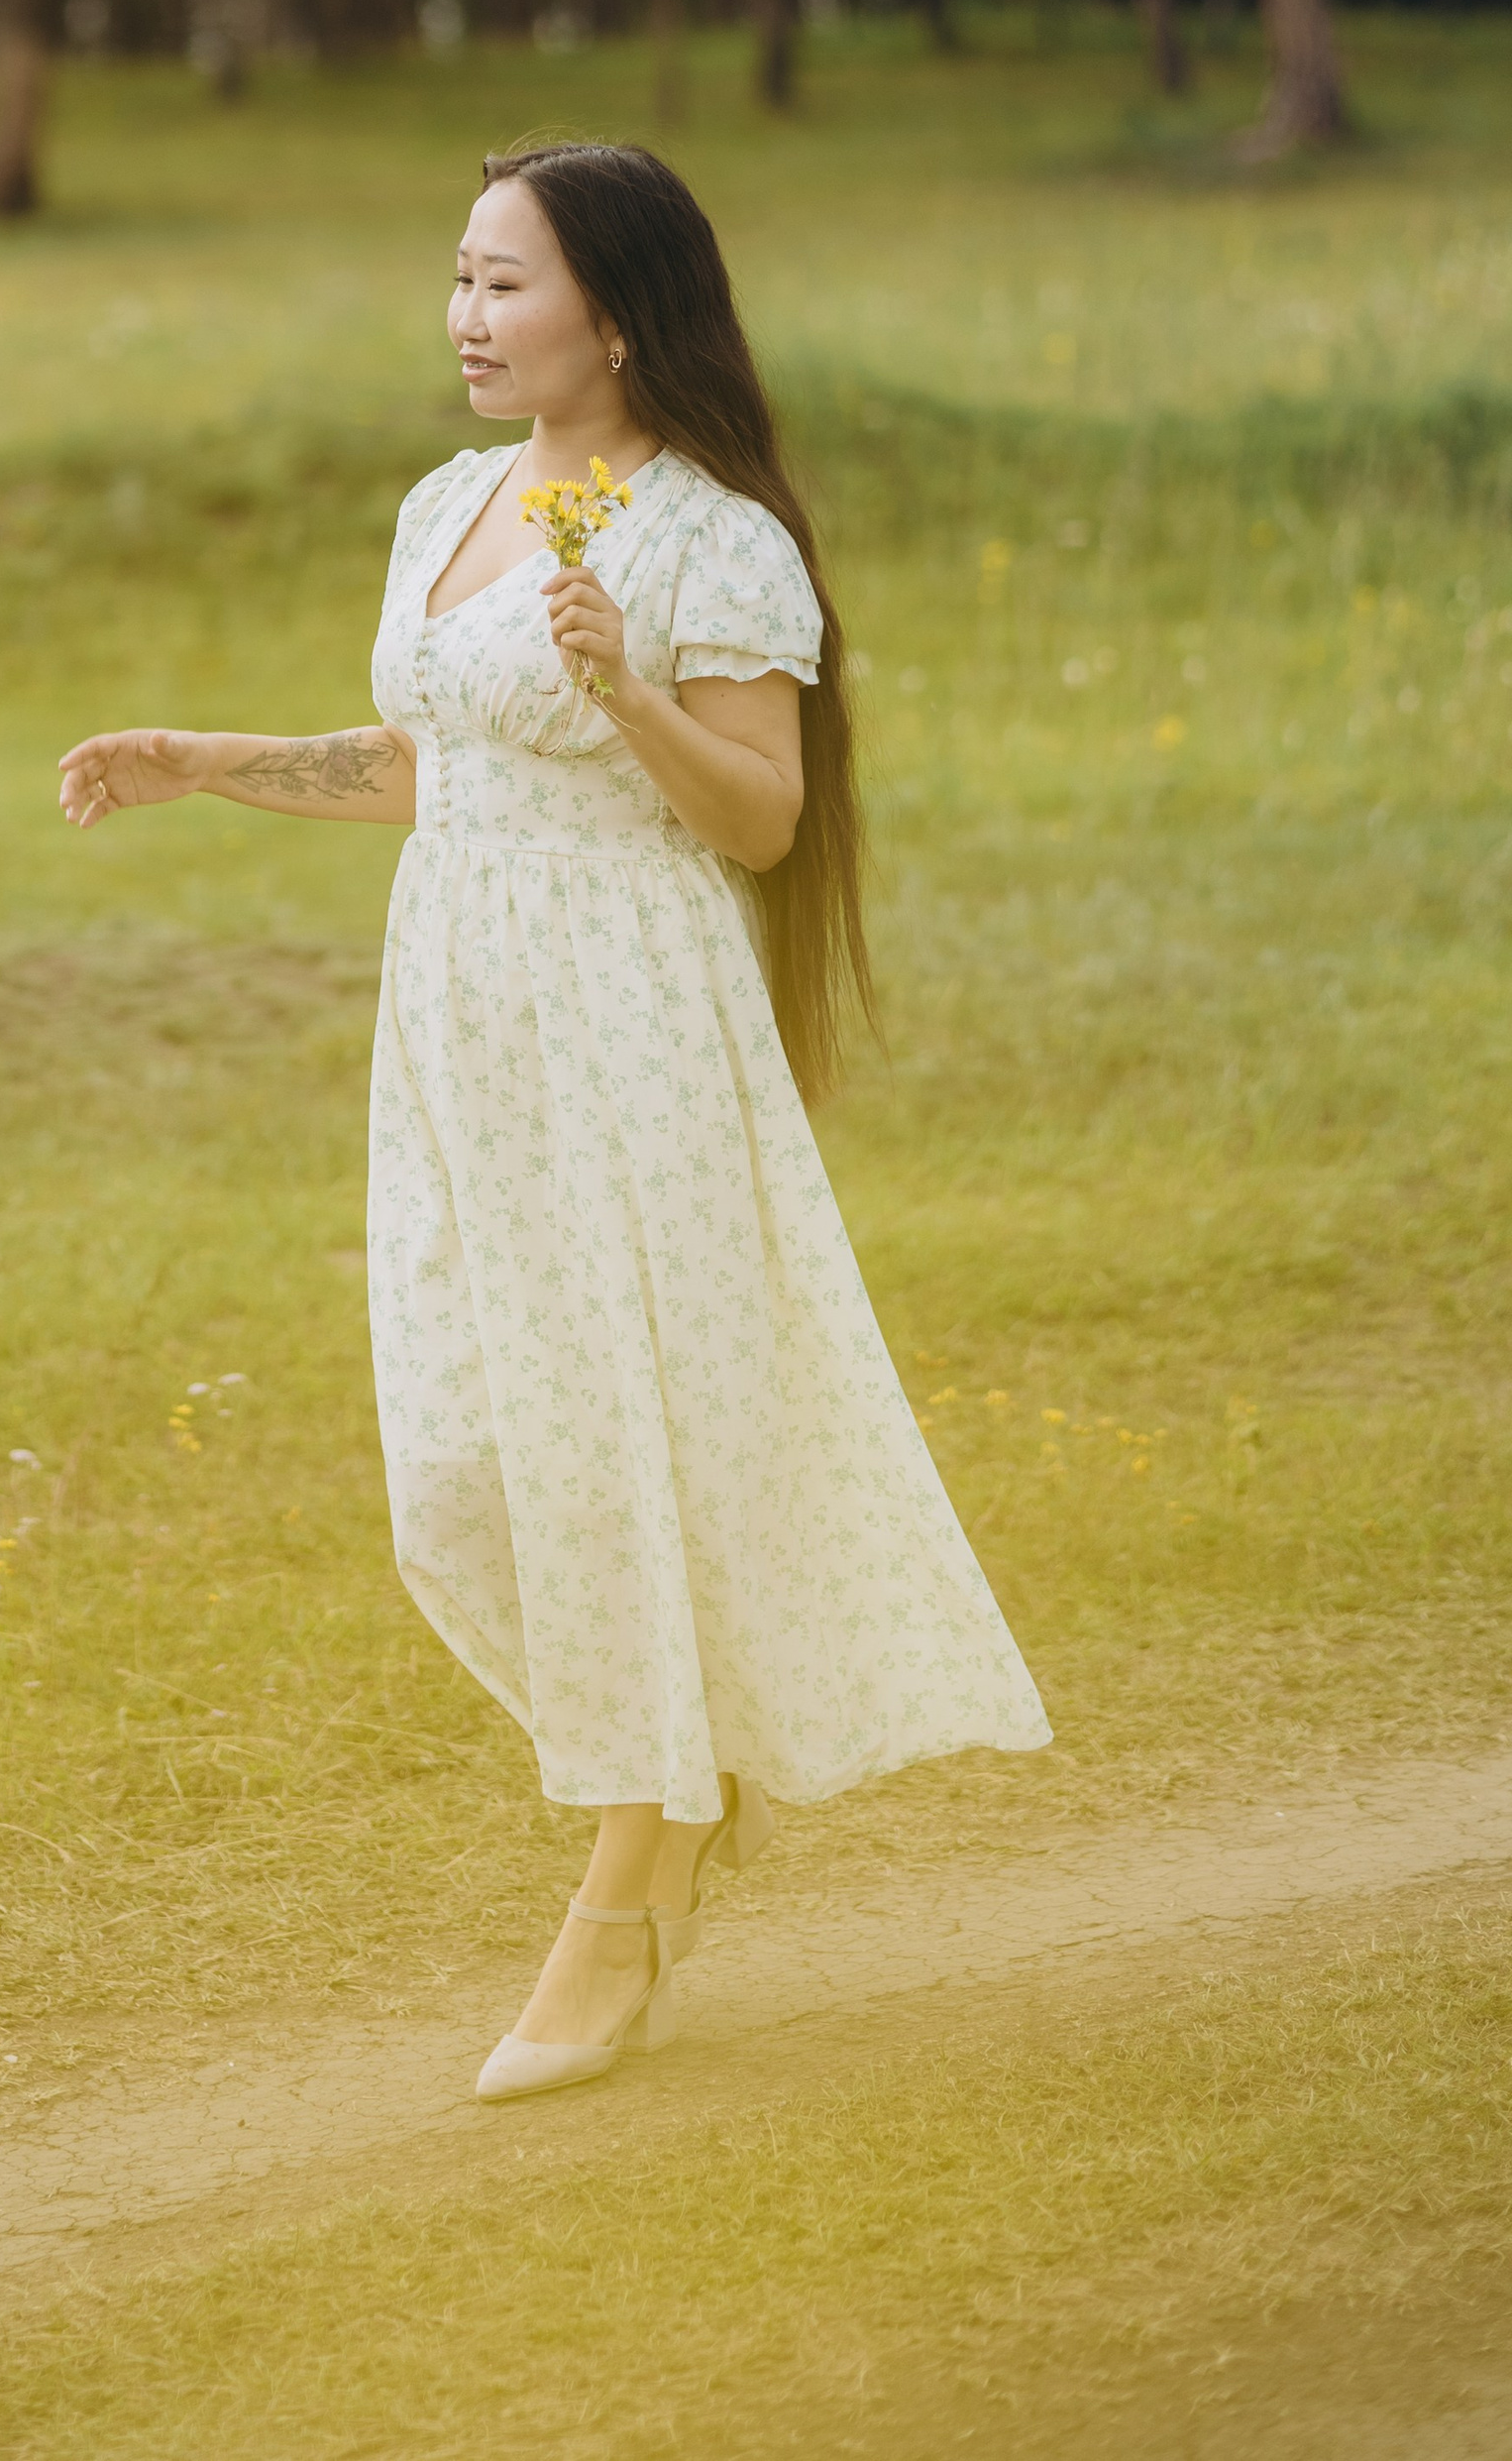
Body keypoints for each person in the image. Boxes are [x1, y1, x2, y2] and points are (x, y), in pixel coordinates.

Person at [56, 139, 1048, 2103]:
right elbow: (426, 767)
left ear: (616, 307)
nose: (465, 315)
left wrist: (624, 690)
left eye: (504, 282)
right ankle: (673, 1775)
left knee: (605, 1456)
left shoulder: (710, 540)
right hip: (458, 1026)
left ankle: (633, 1864)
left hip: (627, 1029)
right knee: (455, 1460)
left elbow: (757, 819)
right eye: (455, 278)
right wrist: (196, 762)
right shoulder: (452, 500)